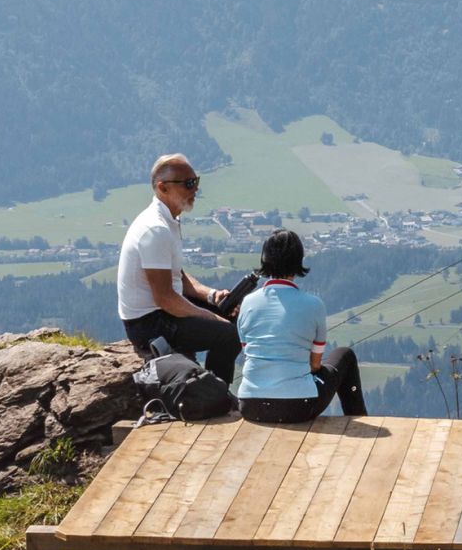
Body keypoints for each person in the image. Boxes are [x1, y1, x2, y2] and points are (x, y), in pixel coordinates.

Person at [117, 153, 241, 383]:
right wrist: (211, 318)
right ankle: (218, 393)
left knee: (231, 312)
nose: (195, 189)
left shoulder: (167, 221)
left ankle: (212, 384)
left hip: (158, 312)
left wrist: (212, 297)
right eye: (188, 184)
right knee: (229, 335)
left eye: (196, 181)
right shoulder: (155, 229)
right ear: (162, 188)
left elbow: (177, 276)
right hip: (148, 324)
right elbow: (165, 298)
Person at [234, 229, 368, 424]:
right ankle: (358, 420)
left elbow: (248, 352)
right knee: (344, 355)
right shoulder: (313, 304)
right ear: (298, 260)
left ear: (265, 259)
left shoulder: (247, 302)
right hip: (297, 406)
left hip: (249, 404)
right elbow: (314, 365)